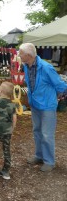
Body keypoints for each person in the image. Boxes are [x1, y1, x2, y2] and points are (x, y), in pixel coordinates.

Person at [19, 43, 67, 172]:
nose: (19, 55)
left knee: (46, 134)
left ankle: (49, 161)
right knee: (37, 131)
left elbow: (59, 84)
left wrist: (60, 95)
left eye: (21, 53)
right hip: (35, 104)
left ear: (28, 55)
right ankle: (39, 156)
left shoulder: (46, 67)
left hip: (47, 106)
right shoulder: (26, 66)